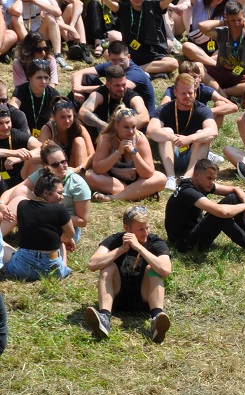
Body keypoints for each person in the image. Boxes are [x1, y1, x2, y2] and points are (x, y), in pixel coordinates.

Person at [164, 156, 245, 263]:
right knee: (221, 216)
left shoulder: (200, 183)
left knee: (233, 198)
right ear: (196, 175)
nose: (212, 183)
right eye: (209, 178)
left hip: (193, 231)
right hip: (184, 244)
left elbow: (235, 189)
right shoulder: (188, 192)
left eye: (214, 179)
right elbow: (222, 212)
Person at [82, 205, 173, 343]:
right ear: (127, 228)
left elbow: (166, 269)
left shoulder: (156, 242)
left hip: (143, 298)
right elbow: (92, 264)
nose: (145, 233)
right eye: (141, 229)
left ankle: (156, 319)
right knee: (107, 267)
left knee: (153, 270)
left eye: (147, 228)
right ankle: (104, 318)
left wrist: (139, 248)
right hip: (117, 296)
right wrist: (121, 250)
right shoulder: (115, 240)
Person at [0, 143, 90, 251]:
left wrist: (54, 216)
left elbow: (82, 221)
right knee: (21, 192)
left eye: (63, 161)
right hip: (41, 216)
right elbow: (14, 190)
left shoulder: (78, 184)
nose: (61, 166)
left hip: (64, 226)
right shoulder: (43, 174)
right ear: (46, 166)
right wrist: (1, 204)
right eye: (55, 164)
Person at [147, 73, 218, 192]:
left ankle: (188, 178)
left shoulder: (201, 109)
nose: (187, 96)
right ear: (175, 93)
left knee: (203, 134)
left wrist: (190, 138)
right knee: (166, 131)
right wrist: (171, 137)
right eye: (183, 93)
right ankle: (171, 177)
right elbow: (151, 130)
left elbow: (213, 131)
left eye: (190, 93)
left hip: (194, 155)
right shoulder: (165, 109)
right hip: (172, 155)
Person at [1, 172, 74, 281]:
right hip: (52, 270)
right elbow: (70, 234)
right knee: (61, 242)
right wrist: (64, 239)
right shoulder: (60, 210)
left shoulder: (22, 206)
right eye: (59, 193)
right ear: (46, 192)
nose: (62, 197)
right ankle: (63, 268)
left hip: (22, 270)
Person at [86, 106, 168, 200]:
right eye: (126, 127)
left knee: (161, 178)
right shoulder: (106, 139)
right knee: (90, 176)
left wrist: (134, 152)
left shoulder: (140, 139)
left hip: (138, 180)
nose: (131, 132)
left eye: (133, 127)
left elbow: (147, 174)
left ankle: (114, 197)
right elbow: (98, 169)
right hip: (114, 182)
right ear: (116, 125)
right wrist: (118, 152)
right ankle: (137, 193)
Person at [194, 0, 245, 97]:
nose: (237, 24)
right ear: (227, 19)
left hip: (242, 76)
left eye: (239, 20)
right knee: (198, 66)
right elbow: (202, 26)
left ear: (244, 16)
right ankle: (222, 90)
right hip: (222, 72)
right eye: (233, 20)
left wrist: (244, 21)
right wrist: (223, 22)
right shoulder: (223, 32)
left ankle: (222, 92)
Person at [71, 41, 156, 116]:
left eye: (121, 60)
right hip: (118, 104)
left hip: (137, 112)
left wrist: (81, 89)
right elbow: (77, 73)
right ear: (109, 57)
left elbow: (116, 88)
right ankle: (70, 112)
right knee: (87, 78)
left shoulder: (135, 73)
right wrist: (76, 90)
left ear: (128, 57)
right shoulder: (112, 65)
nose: (118, 64)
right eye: (114, 60)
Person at [102, 0, 178, 75]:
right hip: (130, 52)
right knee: (107, 53)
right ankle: (136, 68)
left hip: (152, 53)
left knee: (173, 63)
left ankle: (135, 69)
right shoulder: (123, 8)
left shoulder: (155, 6)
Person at [78, 64, 151, 139]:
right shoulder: (100, 93)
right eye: (117, 85)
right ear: (108, 85)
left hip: (126, 137)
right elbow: (83, 112)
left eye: (124, 84)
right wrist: (104, 125)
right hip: (104, 135)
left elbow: (145, 117)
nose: (122, 89)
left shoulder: (132, 96)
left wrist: (121, 129)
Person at [38, 99, 94, 169]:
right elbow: (40, 154)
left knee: (79, 141)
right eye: (62, 117)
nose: (67, 121)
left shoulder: (79, 128)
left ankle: (78, 178)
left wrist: (79, 169)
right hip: (55, 169)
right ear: (54, 117)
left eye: (69, 116)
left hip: (76, 169)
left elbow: (92, 155)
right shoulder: (47, 129)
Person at [11, 60, 61, 136]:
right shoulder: (20, 90)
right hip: (23, 132)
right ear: (29, 77)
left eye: (46, 77)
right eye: (39, 77)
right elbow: (12, 110)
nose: (43, 81)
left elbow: (60, 115)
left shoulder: (53, 94)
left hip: (46, 134)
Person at [0, 106, 41, 196]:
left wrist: (22, 157)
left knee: (37, 162)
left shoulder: (16, 134)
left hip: (19, 178)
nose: (5, 127)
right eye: (0, 123)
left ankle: (34, 198)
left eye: (7, 122)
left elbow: (44, 148)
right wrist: (14, 152)